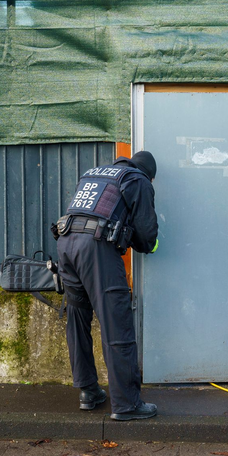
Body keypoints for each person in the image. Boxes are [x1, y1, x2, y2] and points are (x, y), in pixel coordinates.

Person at [55, 151, 159, 420]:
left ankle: (88, 392)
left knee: (77, 321)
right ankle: (127, 404)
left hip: (66, 244)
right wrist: (146, 245)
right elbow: (147, 235)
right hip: (96, 250)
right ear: (149, 173)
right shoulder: (138, 179)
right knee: (117, 323)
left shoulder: (93, 174)